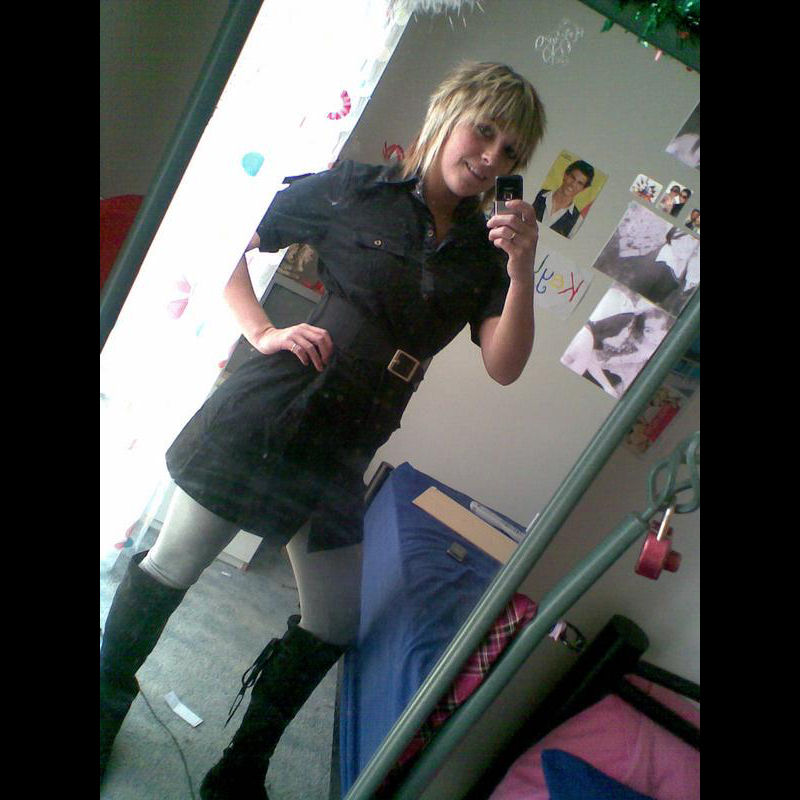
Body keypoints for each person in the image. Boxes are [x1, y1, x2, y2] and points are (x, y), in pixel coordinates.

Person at [99, 61, 546, 797]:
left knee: (335, 621)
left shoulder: (486, 253)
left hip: (344, 449)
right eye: (485, 131)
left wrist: (524, 271)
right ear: (449, 112)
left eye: (511, 151)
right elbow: (228, 238)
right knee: (171, 567)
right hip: (272, 414)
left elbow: (505, 365)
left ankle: (239, 770)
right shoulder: (355, 190)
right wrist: (262, 330)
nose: (492, 157)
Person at [532, 159, 593, 238]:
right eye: (572, 178)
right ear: (565, 175)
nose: (573, 184)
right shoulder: (537, 193)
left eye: (580, 183)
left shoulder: (577, 221)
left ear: (583, 189)